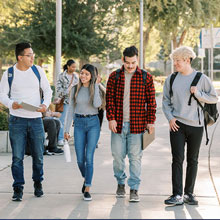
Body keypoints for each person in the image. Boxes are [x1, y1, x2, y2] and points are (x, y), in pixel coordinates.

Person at [162, 46, 218, 206]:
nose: (175, 64)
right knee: (177, 159)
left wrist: (199, 94)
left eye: (177, 61)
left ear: (187, 60)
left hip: (197, 126)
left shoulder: (202, 78)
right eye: (174, 61)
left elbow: (214, 98)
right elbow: (165, 100)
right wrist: (170, 118)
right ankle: (177, 194)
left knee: (193, 160)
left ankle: (189, 193)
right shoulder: (171, 79)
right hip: (177, 125)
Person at [0, 42, 52, 201]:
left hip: (36, 120)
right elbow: (2, 95)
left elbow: (48, 90)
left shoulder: (38, 71)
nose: (32, 57)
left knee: (38, 156)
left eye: (33, 54)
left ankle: (38, 183)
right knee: (17, 157)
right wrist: (11, 104)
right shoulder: (9, 73)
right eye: (29, 55)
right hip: (17, 121)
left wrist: (45, 104)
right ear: (20, 57)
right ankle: (18, 188)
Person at [106, 46, 157, 202]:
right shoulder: (114, 77)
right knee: (117, 157)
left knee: (135, 158)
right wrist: (111, 118)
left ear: (137, 60)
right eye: (127, 62)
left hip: (137, 125)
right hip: (118, 125)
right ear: (123, 60)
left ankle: (134, 189)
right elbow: (109, 100)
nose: (130, 66)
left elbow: (151, 102)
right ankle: (121, 183)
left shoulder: (146, 77)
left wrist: (150, 122)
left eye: (133, 62)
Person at [64, 64, 102, 201]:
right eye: (82, 73)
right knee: (80, 159)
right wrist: (66, 130)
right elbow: (70, 110)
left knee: (89, 157)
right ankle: (87, 178)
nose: (83, 76)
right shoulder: (75, 89)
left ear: (92, 75)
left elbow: (97, 104)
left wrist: (97, 85)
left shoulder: (95, 88)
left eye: (86, 74)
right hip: (79, 124)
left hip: (93, 124)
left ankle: (87, 188)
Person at [55, 59, 79, 146]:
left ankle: (76, 138)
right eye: (72, 67)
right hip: (64, 102)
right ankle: (60, 138)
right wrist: (67, 92)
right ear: (68, 66)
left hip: (74, 102)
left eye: (75, 67)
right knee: (62, 121)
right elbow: (58, 89)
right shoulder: (61, 76)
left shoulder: (76, 77)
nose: (74, 68)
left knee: (76, 121)